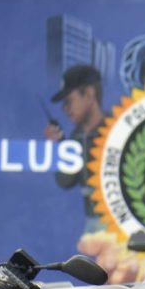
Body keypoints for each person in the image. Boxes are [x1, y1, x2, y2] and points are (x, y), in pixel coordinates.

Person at [43, 64, 106, 227]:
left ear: (89, 94)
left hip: (119, 225)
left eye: (69, 101)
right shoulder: (75, 138)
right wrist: (61, 148)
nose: (65, 109)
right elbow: (65, 182)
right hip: (92, 224)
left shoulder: (117, 128)